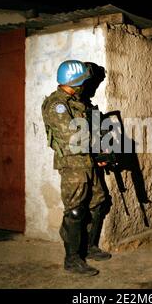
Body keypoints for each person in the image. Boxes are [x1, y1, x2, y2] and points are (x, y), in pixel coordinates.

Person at [41, 60, 111, 276]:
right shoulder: (57, 105)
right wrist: (96, 141)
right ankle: (72, 259)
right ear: (74, 82)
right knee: (75, 209)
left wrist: (100, 152)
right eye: (83, 82)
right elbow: (73, 137)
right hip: (72, 164)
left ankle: (89, 247)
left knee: (98, 201)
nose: (87, 86)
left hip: (87, 161)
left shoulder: (78, 102)